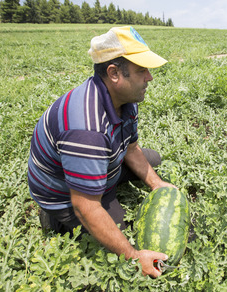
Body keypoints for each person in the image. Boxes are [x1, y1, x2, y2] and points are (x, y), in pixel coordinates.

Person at [27, 26, 175, 278]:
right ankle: (55, 218)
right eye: (142, 70)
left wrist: (157, 184)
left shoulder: (124, 98)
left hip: (102, 164)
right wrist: (133, 256)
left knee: (153, 161)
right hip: (65, 193)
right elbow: (86, 206)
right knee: (119, 232)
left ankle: (105, 184)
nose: (149, 77)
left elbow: (131, 147)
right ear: (114, 73)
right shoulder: (86, 129)